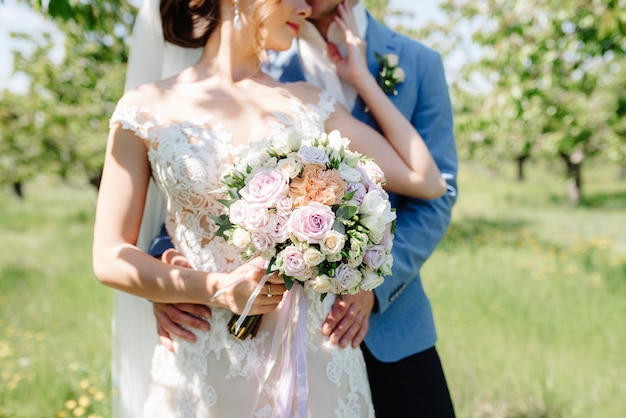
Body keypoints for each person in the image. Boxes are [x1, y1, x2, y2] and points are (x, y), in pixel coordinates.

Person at [93, 0, 447, 416]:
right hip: (204, 363)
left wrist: (361, 79)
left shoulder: (310, 103)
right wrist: (211, 288)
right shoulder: (144, 109)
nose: (305, 5)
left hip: (317, 360)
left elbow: (426, 179)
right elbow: (109, 257)